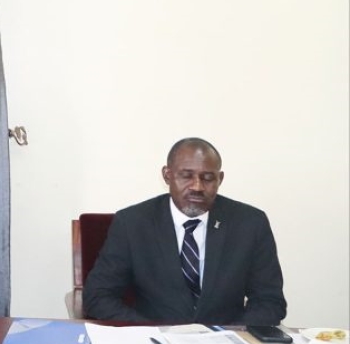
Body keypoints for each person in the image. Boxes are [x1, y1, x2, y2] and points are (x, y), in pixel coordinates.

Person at [83, 137, 287, 325]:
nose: (197, 186)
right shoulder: (132, 223)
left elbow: (269, 302)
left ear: (220, 179)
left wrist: (229, 335)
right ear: (167, 175)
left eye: (207, 178)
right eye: (186, 176)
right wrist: (150, 331)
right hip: (154, 343)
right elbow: (98, 296)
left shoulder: (250, 223)